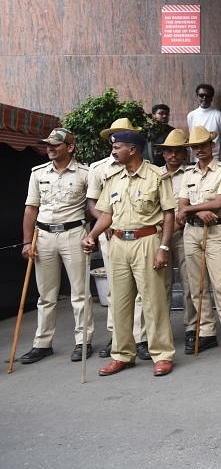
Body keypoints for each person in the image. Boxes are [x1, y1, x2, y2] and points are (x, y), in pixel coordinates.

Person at [82, 129, 176, 377]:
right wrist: (91, 236)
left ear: (132, 150)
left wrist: (164, 247)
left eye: (117, 147)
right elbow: (106, 215)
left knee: (153, 301)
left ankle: (162, 354)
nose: (113, 151)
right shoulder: (113, 178)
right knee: (120, 302)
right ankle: (122, 355)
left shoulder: (157, 176)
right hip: (119, 243)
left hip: (147, 241)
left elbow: (169, 213)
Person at [18, 128, 93, 364]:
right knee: (45, 294)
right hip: (44, 236)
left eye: (55, 145)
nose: (49, 148)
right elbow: (31, 208)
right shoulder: (38, 173)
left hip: (73, 234)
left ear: (69, 147)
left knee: (80, 293)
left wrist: (86, 228)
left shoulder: (85, 173)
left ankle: (83, 341)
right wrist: (27, 241)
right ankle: (42, 343)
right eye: (47, 145)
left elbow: (93, 207)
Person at [177, 125, 221, 355]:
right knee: (197, 285)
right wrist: (196, 212)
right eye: (195, 146)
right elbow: (180, 207)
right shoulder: (188, 174)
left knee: (220, 284)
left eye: (203, 145)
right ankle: (206, 332)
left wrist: (192, 209)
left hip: (213, 231)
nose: (200, 149)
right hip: (191, 232)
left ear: (211, 145)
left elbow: (219, 203)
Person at [86, 118, 146, 360]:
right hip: (111, 235)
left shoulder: (144, 166)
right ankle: (118, 335)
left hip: (139, 236)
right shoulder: (98, 169)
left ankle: (140, 337)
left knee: (141, 290)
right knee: (115, 288)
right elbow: (92, 203)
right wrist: (103, 224)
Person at [155, 129, 215, 356]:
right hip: (158, 236)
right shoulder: (155, 175)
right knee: (161, 284)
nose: (173, 155)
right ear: (163, 154)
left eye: (178, 151)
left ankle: (193, 326)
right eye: (169, 151)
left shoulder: (190, 174)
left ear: (184, 154)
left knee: (191, 283)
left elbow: (193, 205)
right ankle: (162, 329)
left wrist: (193, 213)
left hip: (184, 233)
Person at [187, 84, 221, 159]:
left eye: (207, 96)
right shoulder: (191, 115)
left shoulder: (218, 115)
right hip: (197, 158)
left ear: (211, 98)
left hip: (214, 158)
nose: (204, 98)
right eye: (201, 95)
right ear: (197, 97)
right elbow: (192, 137)